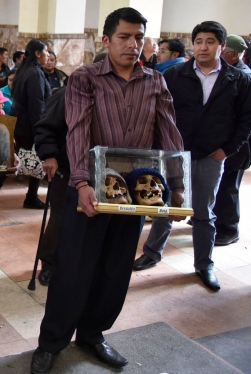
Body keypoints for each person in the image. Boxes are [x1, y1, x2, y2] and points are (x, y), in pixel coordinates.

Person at [30, 8, 184, 374]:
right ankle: (51, 342)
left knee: (114, 270)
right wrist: (81, 183)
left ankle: (93, 335)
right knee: (74, 269)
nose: (133, 45)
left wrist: (178, 185)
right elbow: (78, 130)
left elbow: (169, 133)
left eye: (139, 37)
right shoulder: (86, 79)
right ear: (106, 40)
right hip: (89, 192)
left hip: (130, 195)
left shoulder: (155, 82)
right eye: (124, 37)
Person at [133, 22, 251, 292]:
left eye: (210, 41)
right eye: (198, 41)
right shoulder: (176, 75)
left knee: (204, 212)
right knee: (165, 205)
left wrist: (226, 150)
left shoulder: (238, 79)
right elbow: (159, 112)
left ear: (222, 46)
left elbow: (246, 120)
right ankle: (152, 252)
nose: (203, 47)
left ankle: (204, 264)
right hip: (175, 153)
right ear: (193, 45)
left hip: (211, 156)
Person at [211, 34, 251, 247]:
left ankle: (229, 229)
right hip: (227, 143)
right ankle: (216, 222)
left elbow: (244, 119)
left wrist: (230, 147)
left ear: (234, 55)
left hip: (236, 146)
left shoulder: (243, 77)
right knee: (221, 185)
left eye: (222, 51)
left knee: (228, 188)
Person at [32, 87, 68, 287]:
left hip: (98, 165)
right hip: (67, 165)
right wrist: (49, 154)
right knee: (60, 217)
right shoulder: (65, 94)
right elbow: (45, 127)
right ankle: (48, 264)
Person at [10, 39, 51, 209]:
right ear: (37, 53)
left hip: (20, 120)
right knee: (36, 157)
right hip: (28, 123)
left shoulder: (24, 69)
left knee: (22, 154)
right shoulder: (34, 73)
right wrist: (40, 128)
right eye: (46, 51)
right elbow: (36, 103)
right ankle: (31, 197)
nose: (48, 55)